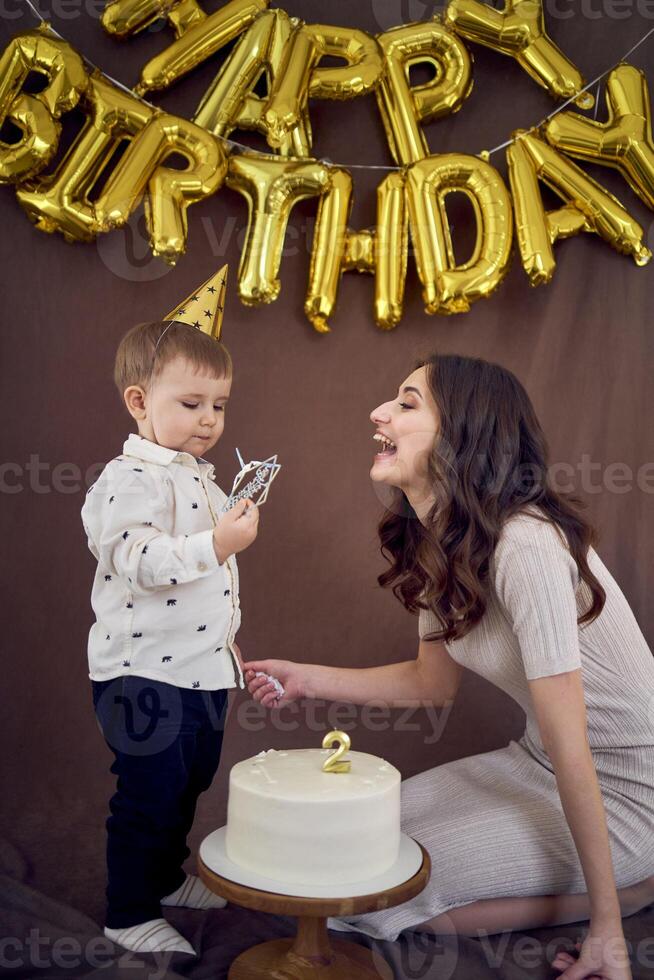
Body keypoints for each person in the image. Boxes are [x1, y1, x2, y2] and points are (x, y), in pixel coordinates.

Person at [243, 353, 654, 980]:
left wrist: (607, 932)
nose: (378, 413)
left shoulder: (528, 545)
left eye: (407, 403)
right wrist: (307, 677)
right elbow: (430, 684)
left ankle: (629, 895)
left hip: (626, 796)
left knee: (389, 890)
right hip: (533, 763)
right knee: (354, 840)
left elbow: (574, 747)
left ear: (464, 435)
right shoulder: (444, 542)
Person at [81, 297, 259, 957]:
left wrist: (225, 642)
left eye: (219, 405)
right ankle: (127, 911)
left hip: (199, 667)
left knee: (191, 778)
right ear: (139, 401)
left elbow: (211, 587)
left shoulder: (203, 481)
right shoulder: (127, 480)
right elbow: (138, 561)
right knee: (149, 789)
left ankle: (165, 877)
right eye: (191, 403)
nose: (209, 419)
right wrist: (216, 544)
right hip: (141, 675)